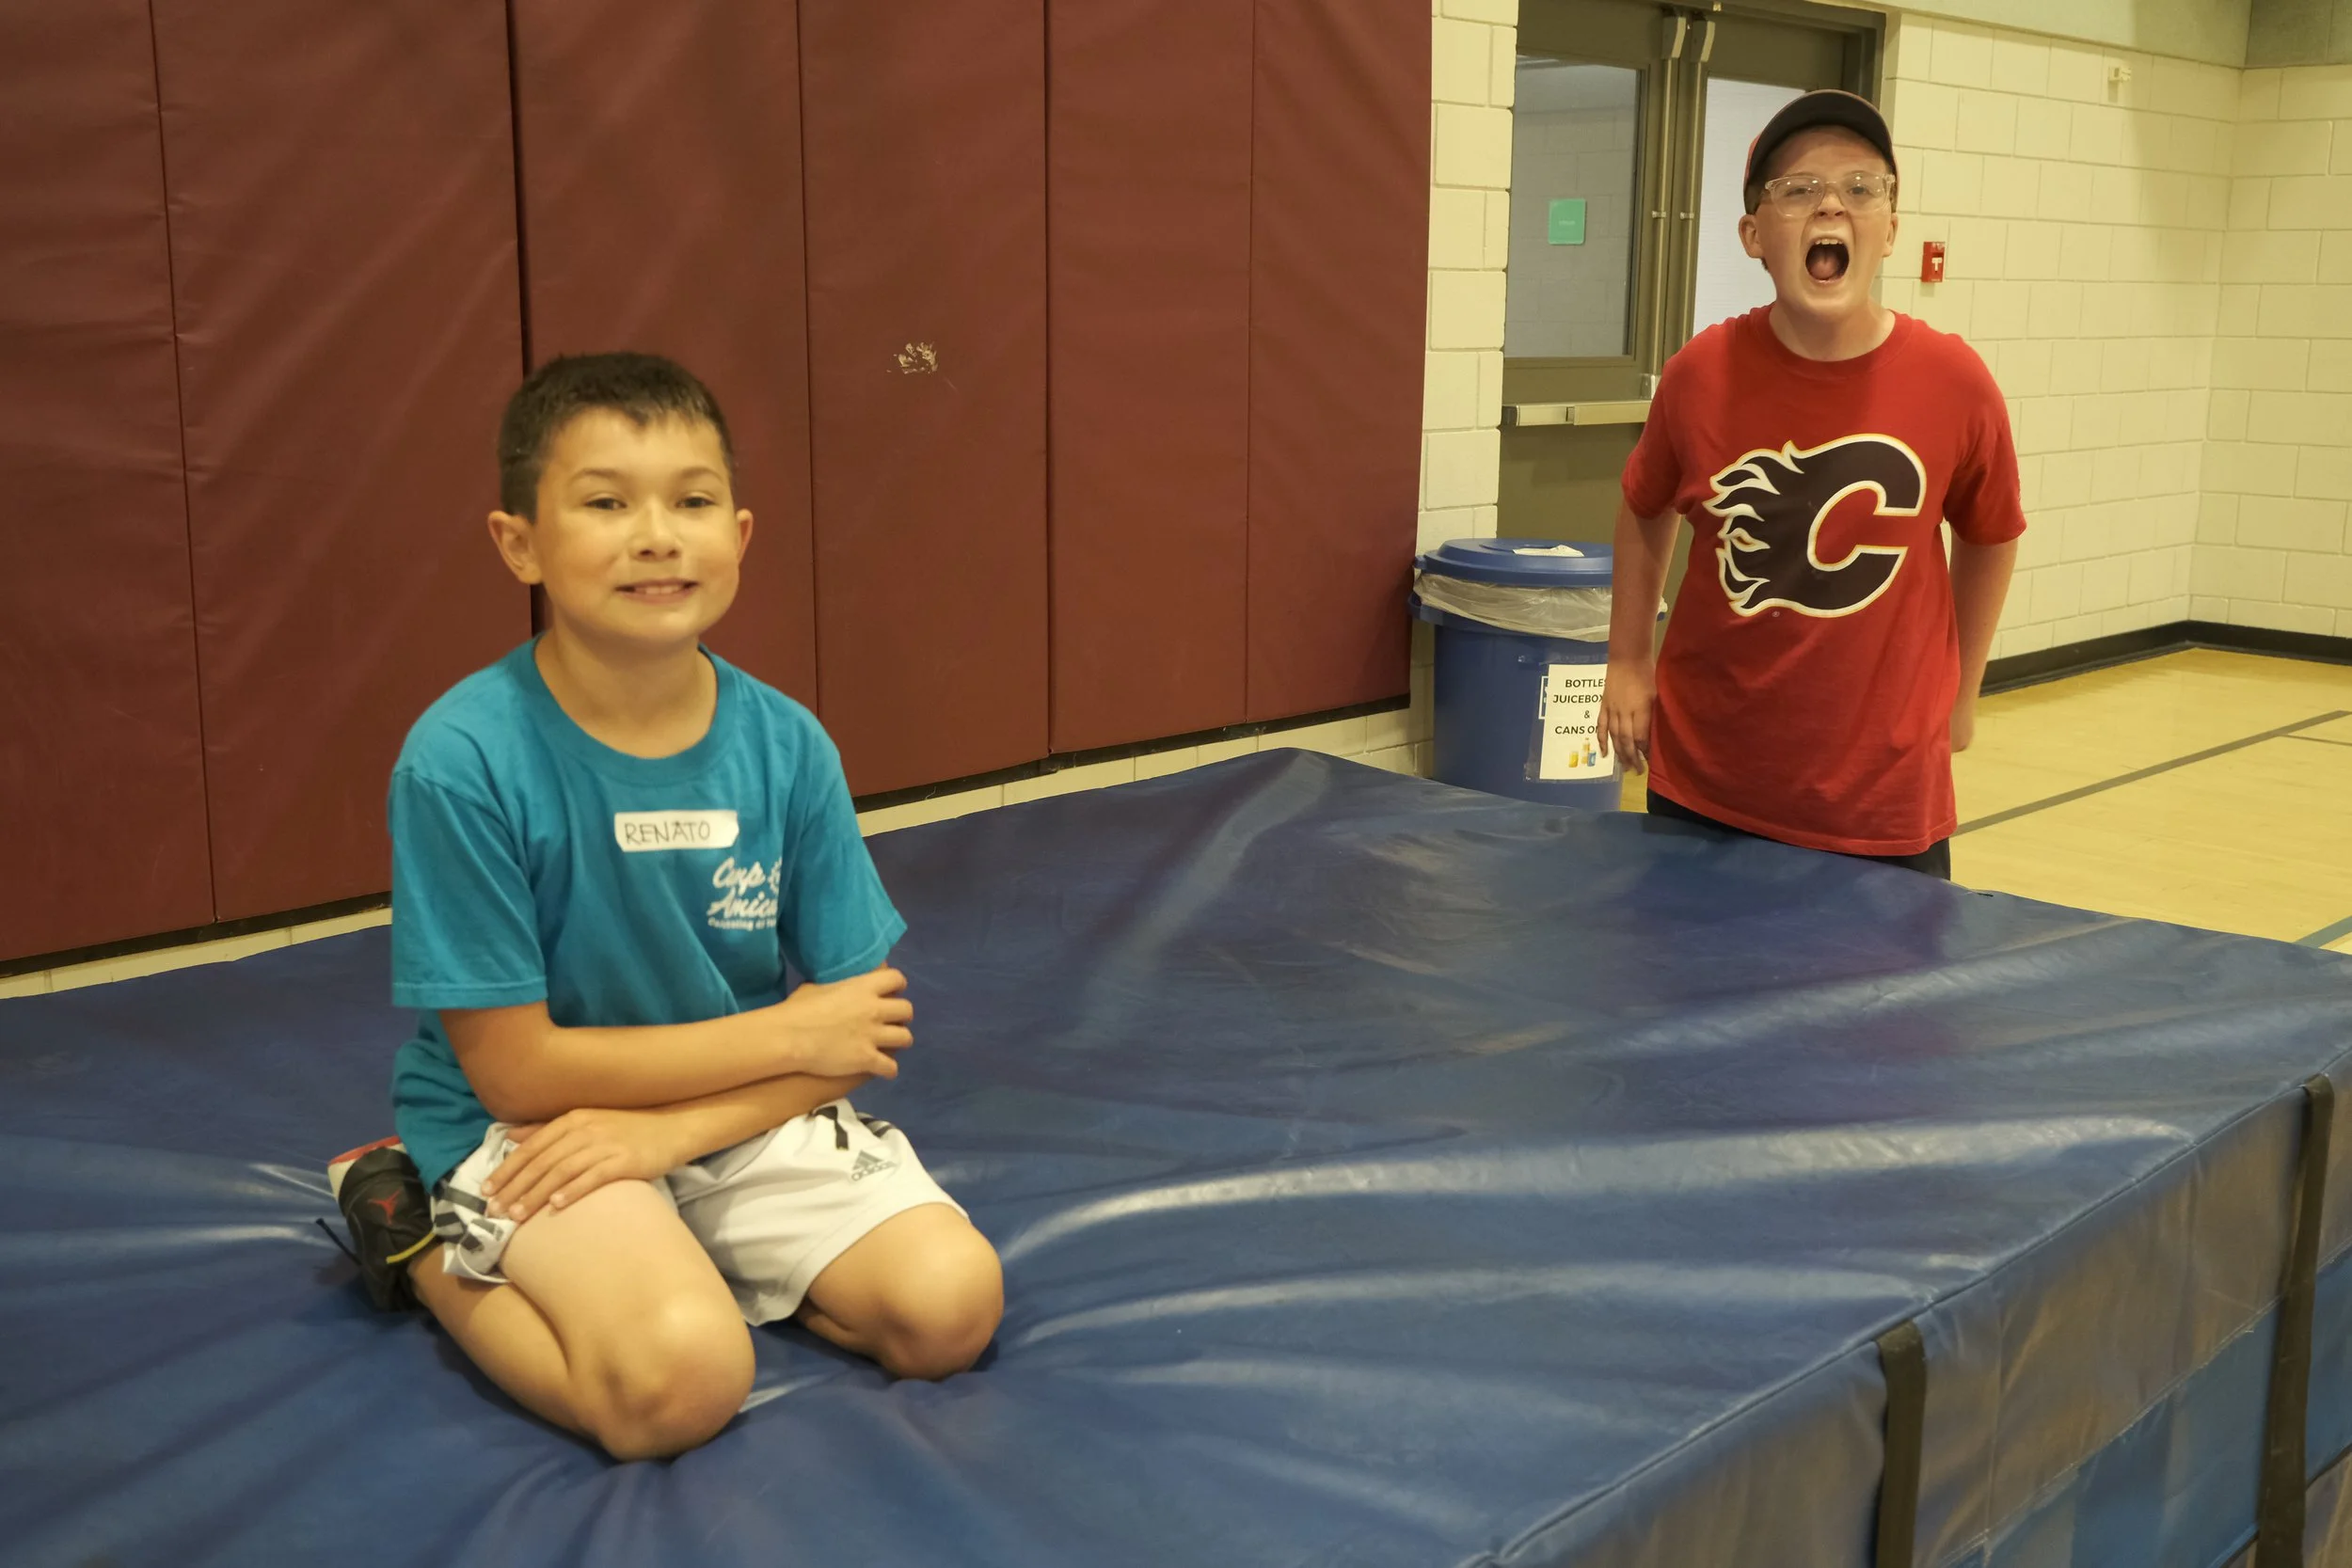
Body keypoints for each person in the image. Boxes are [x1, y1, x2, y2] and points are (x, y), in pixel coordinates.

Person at [328, 352, 1002, 1461]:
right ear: (519, 544)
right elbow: (518, 1071)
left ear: (738, 534)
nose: (655, 535)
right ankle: (417, 1236)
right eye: (606, 503)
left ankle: (684, 1249)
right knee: (680, 1385)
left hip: (726, 1113)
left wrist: (670, 1135)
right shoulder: (462, 758)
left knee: (949, 1308)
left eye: (690, 501)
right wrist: (787, 1033)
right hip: (534, 1128)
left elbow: (860, 1030)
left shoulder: (786, 743)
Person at [1597, 90, 2024, 879]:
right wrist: (1628, 658)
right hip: (1708, 782)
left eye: (1861, 188)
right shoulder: (1700, 374)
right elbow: (1644, 505)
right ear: (1754, 236)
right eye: (1798, 190)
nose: (1831, 204)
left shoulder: (1955, 382)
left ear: (1890, 229)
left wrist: (1961, 688)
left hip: (1882, 802)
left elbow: (1992, 532)